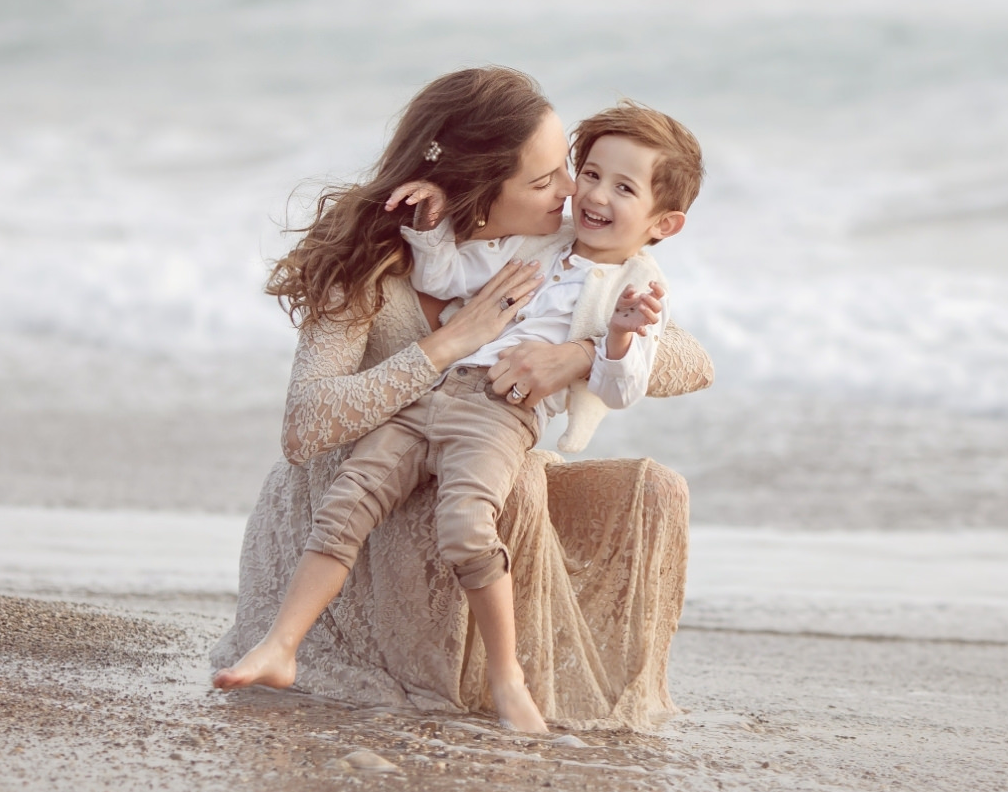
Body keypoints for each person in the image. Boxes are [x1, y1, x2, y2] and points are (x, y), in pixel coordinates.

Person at [209, 67, 713, 730]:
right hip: (360, 488)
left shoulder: (566, 259)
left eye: (571, 170)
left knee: (653, 489)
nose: (573, 192)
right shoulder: (380, 265)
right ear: (479, 189)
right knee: (510, 483)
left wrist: (579, 355)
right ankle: (301, 645)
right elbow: (305, 427)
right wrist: (450, 344)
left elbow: (689, 361)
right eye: (550, 179)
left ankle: (516, 682)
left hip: (473, 456)